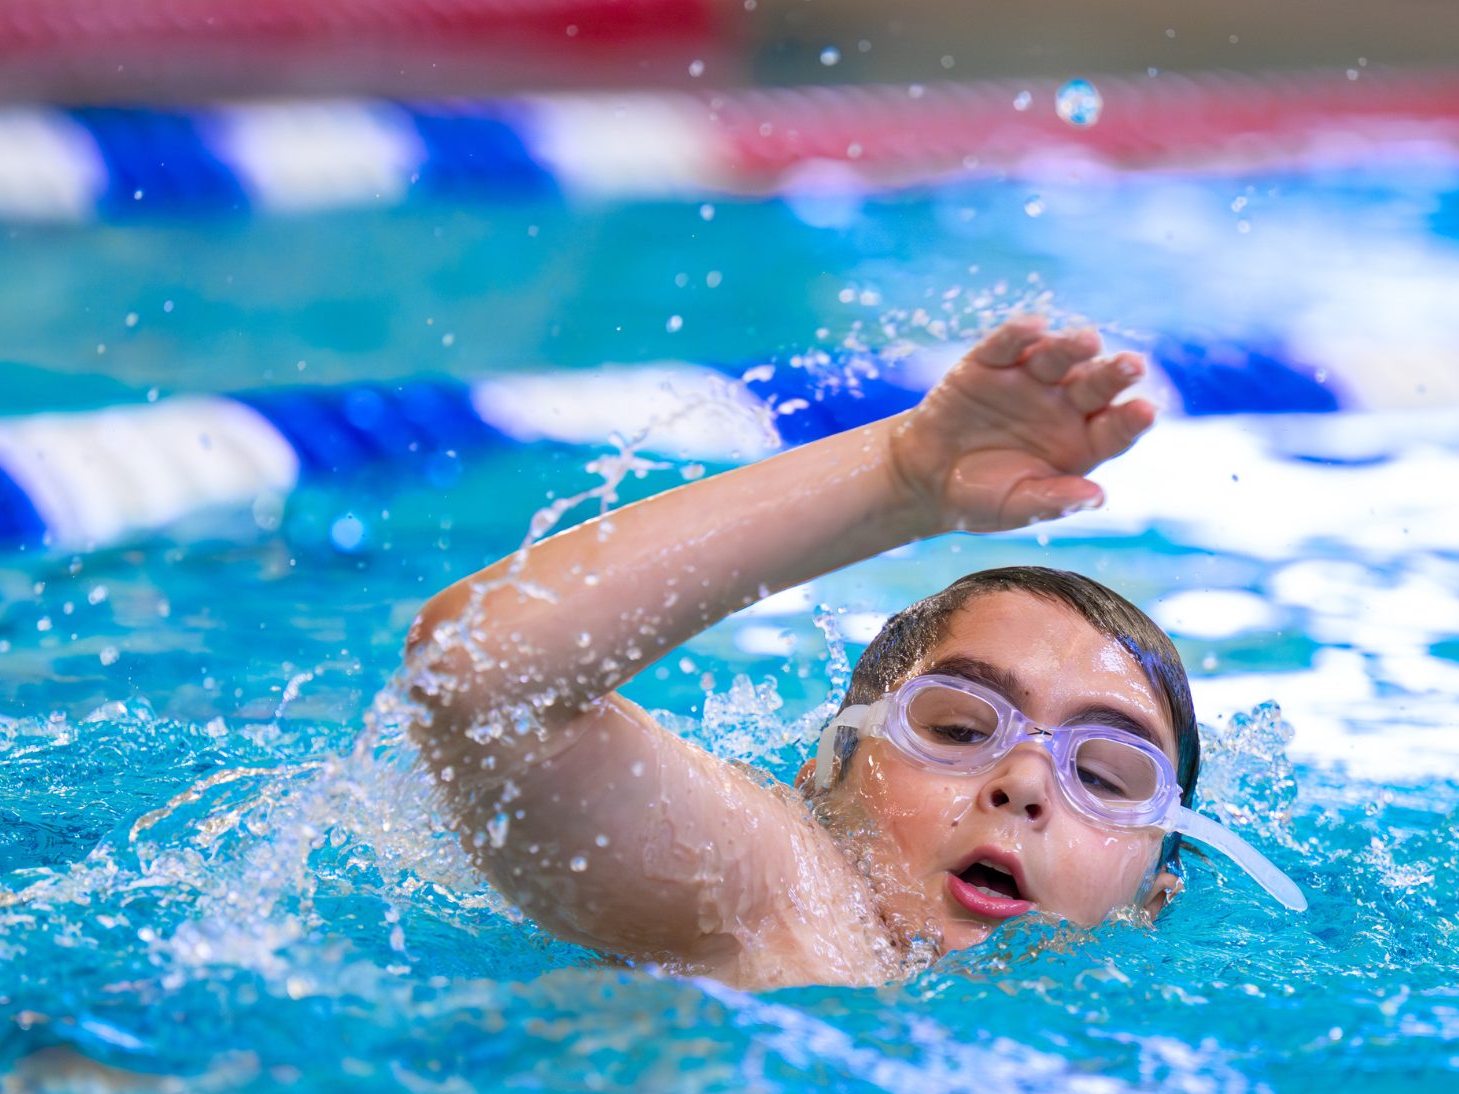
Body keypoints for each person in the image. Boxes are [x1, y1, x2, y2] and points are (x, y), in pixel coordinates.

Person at [404, 316, 1303, 991]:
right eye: (957, 727)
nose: (1026, 784)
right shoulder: (787, 903)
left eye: (1106, 778)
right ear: (824, 773)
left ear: (1155, 900)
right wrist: (897, 480)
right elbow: (483, 672)